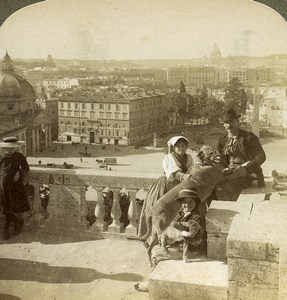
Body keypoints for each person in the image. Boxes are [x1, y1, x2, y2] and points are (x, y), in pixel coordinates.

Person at [138, 136, 194, 235]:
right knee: (162, 210)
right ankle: (155, 235)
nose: (181, 148)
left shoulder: (189, 158)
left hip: (182, 186)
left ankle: (174, 236)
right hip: (167, 186)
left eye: (183, 146)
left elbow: (191, 170)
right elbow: (173, 173)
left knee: (179, 211)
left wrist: (189, 176)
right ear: (174, 148)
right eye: (178, 146)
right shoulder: (169, 157)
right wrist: (184, 176)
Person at [215, 108, 266, 201]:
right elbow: (217, 157)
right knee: (208, 186)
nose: (229, 125)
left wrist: (246, 168)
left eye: (231, 122)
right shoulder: (222, 139)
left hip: (246, 174)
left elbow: (261, 156)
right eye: (226, 123)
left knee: (222, 188)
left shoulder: (249, 137)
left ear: (238, 122)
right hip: (228, 172)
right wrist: (223, 168)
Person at [0, 137, 30, 240]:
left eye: (12, 148)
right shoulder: (2, 157)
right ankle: (13, 225)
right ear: (4, 148)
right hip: (4, 186)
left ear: (15, 147)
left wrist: (19, 173)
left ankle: (10, 227)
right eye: (8, 148)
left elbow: (26, 167)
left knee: (15, 207)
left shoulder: (19, 156)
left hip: (16, 186)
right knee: (6, 207)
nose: (10, 150)